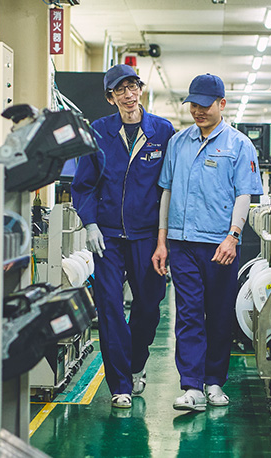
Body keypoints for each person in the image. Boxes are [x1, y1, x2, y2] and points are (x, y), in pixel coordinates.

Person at [152, 73, 263, 412]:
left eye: (205, 105)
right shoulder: (178, 142)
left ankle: (214, 381)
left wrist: (233, 236)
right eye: (193, 105)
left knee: (218, 314)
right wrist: (162, 241)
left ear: (221, 104)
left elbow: (244, 194)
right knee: (188, 314)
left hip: (219, 244)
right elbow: (167, 191)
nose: (198, 111)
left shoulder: (239, 144)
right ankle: (191, 386)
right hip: (182, 242)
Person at [72, 64, 175, 409]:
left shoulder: (162, 131)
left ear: (140, 90)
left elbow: (169, 186)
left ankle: (136, 363)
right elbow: (84, 184)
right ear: (110, 97)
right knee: (110, 308)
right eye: (121, 90)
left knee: (149, 305)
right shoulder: (98, 132)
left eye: (133, 87)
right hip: (109, 237)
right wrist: (90, 223)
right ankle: (120, 384)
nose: (129, 95)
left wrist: (165, 237)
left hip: (147, 236)